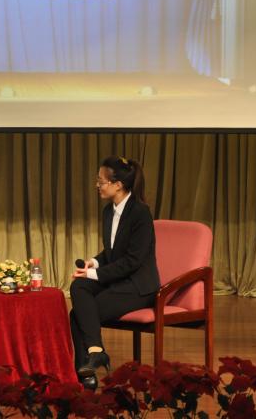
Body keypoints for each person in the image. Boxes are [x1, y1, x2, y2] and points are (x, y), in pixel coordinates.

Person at [70, 156, 160, 389]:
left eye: (101, 181)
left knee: (79, 315)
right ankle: (96, 353)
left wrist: (96, 275)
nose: (97, 185)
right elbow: (112, 251)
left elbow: (132, 261)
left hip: (138, 286)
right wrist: (93, 263)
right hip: (119, 280)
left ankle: (86, 375)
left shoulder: (140, 213)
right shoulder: (108, 212)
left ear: (118, 184)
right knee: (79, 285)